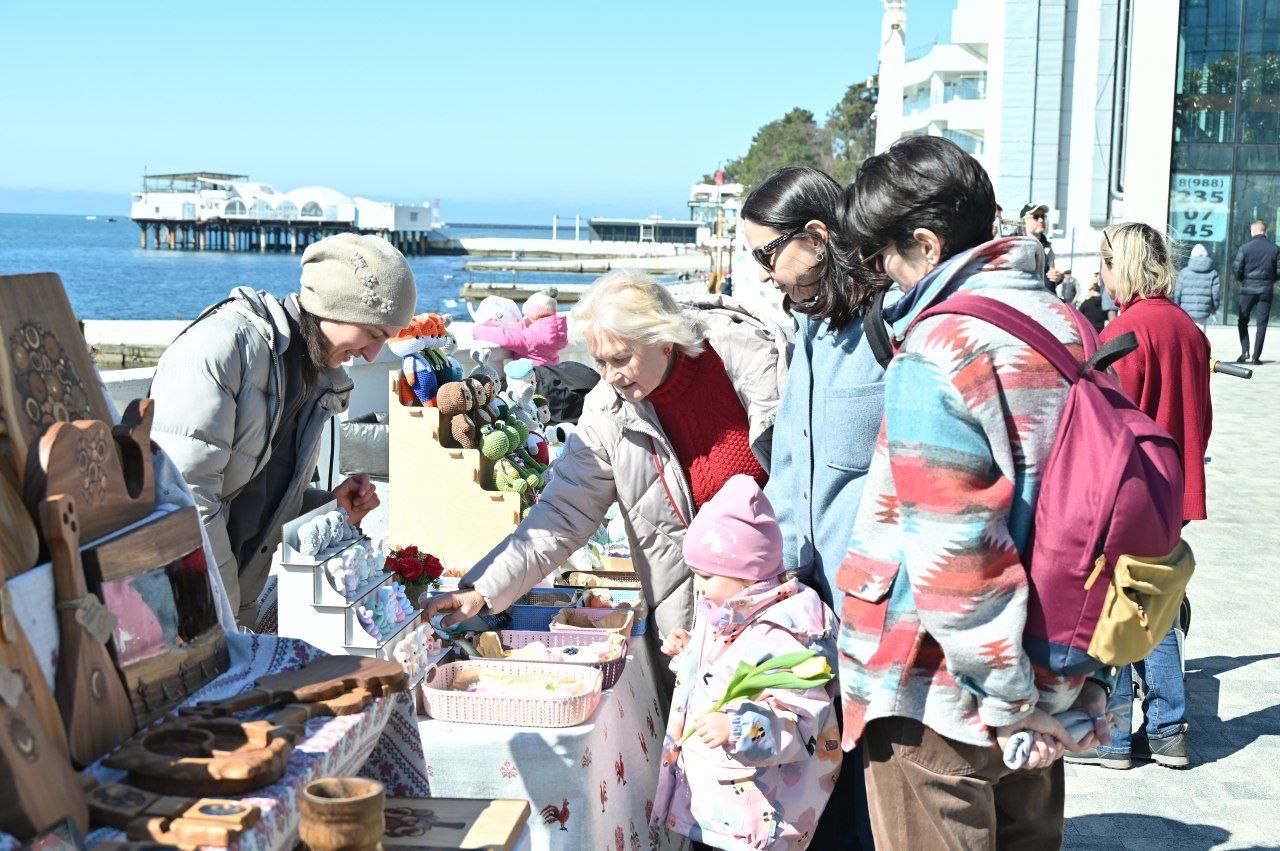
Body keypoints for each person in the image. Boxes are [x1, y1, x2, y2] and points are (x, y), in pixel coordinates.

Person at [837, 136, 1109, 848]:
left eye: (879, 255)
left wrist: (1010, 704)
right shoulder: (1070, 326)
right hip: (1049, 665)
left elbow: (955, 551)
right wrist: (1067, 686)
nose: (879, 274)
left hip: (943, 689)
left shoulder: (941, 346)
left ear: (926, 245)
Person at [424, 271, 786, 690]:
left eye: (620, 359)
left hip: (777, 609)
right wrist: (483, 589)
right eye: (600, 361)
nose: (610, 376)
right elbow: (562, 514)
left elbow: (800, 486)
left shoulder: (746, 359)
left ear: (664, 340)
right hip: (689, 624)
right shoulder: (607, 410)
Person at [150, 233, 416, 626]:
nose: (373, 355)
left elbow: (259, 494)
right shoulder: (224, 347)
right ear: (333, 304)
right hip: (177, 607)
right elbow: (185, 497)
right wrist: (222, 615)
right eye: (373, 333)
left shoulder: (313, 375)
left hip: (226, 603)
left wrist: (328, 506)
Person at [741, 165, 887, 850]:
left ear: (819, 236)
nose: (764, 274)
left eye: (768, 254)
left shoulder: (890, 325)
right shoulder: (805, 330)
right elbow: (792, 472)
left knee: (871, 805)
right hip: (810, 613)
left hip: (878, 621)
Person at [1067, 223, 1212, 771]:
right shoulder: (1187, 328)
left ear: (1118, 265)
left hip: (1130, 488)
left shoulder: (1125, 331)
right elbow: (1203, 419)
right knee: (1159, 601)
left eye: (1103, 265)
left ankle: (1114, 738)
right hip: (1175, 489)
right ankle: (1170, 731)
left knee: (1117, 605)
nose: (1100, 276)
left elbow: (1106, 426)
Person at [651, 475, 841, 850]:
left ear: (745, 574)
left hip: (755, 816)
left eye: (706, 576)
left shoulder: (780, 634)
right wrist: (689, 654)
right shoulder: (728, 614)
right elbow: (721, 673)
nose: (698, 586)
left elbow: (799, 722)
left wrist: (737, 729)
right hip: (723, 806)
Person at [471, 291, 569, 366]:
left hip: (533, 379)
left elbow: (505, 337)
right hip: (549, 377)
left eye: (527, 317)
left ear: (533, 316)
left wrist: (477, 329)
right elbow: (523, 329)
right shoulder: (554, 331)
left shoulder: (529, 339)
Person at [1231, 220, 1279, 364]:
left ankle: (1245, 351)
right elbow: (1279, 271)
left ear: (1253, 231)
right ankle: (1256, 357)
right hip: (1266, 289)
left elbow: (1237, 269)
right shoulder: (1275, 249)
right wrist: (1270, 280)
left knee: (1242, 321)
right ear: (1265, 231)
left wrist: (1243, 280)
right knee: (1262, 324)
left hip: (1247, 289)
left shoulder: (1245, 248)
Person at [1174, 243, 1222, 331]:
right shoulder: (1213, 273)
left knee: (1187, 335)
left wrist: (1176, 308)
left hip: (1185, 312)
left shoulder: (1183, 273)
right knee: (1201, 335)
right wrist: (1214, 308)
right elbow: (1215, 295)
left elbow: (1177, 294)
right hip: (1203, 312)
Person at [1020, 202, 1062, 292]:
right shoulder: (1015, 244)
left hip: (1046, 297)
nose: (1041, 220)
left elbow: (1050, 275)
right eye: (1036, 217)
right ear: (1024, 221)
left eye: (1043, 216)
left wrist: (1058, 277)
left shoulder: (1047, 246)